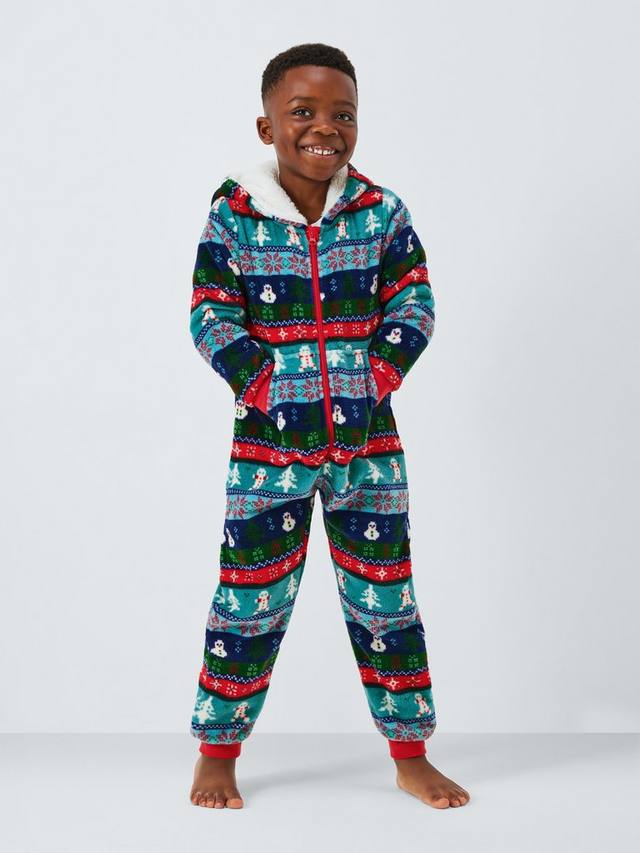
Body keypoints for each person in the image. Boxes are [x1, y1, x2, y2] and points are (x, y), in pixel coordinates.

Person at [187, 42, 470, 810]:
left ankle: (410, 753)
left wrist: (372, 379)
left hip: (369, 447)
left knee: (386, 602)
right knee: (248, 600)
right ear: (266, 126)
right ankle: (217, 752)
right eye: (303, 111)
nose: (325, 127)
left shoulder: (380, 212)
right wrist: (266, 385)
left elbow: (414, 301)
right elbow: (210, 314)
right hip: (267, 449)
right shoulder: (235, 215)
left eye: (343, 114)